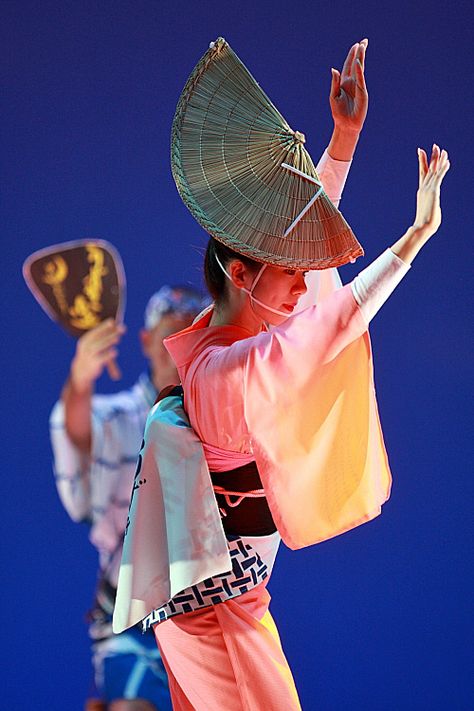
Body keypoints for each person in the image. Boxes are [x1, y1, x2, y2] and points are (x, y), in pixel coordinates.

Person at [113, 39, 450, 709]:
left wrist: (343, 139)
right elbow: (323, 330)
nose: (306, 285)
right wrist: (408, 245)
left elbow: (297, 254)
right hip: (216, 616)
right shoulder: (220, 373)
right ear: (240, 274)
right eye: (291, 275)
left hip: (220, 602)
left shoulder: (244, 325)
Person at [50, 286, 206, 711]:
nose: (177, 347)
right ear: (145, 341)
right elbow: (77, 431)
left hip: (206, 612)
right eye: (170, 333)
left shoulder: (218, 419)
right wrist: (80, 379)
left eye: (193, 334)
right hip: (130, 614)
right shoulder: (116, 416)